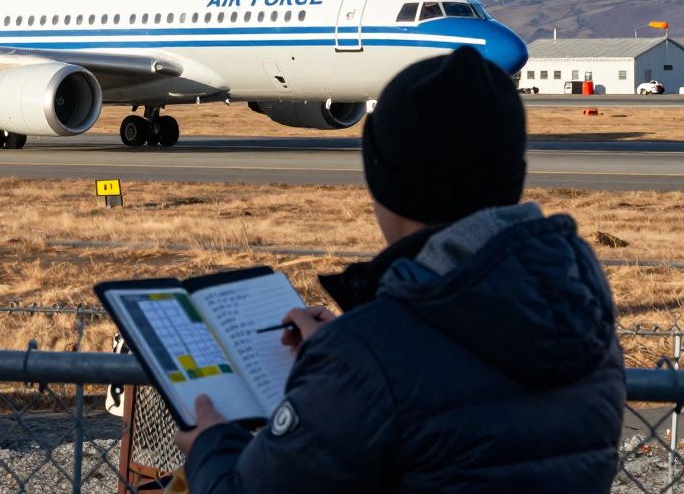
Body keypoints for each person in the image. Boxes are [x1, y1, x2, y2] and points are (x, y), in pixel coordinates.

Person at [176, 46, 625, 493]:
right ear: (515, 171)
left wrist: (210, 446)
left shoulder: (367, 358)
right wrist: (347, 352)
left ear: (382, 179)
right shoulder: (582, 308)